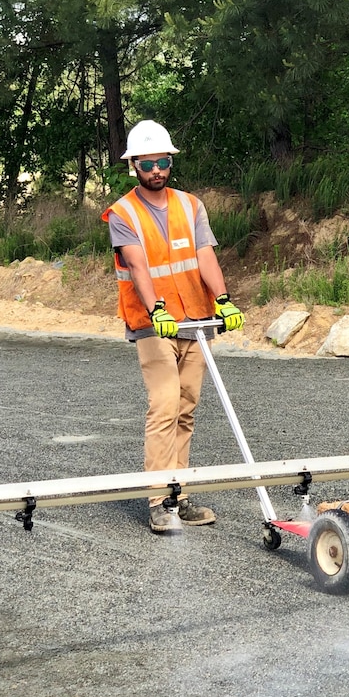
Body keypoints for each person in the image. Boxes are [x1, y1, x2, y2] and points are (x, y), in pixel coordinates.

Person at [102, 119, 245, 533]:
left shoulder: (191, 205)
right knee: (164, 404)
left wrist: (223, 298)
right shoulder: (123, 213)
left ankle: (179, 496)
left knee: (186, 408)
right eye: (148, 164)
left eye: (163, 161)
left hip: (196, 317)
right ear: (135, 167)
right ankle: (157, 501)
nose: (157, 170)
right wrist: (157, 310)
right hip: (152, 322)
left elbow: (204, 255)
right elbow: (138, 265)